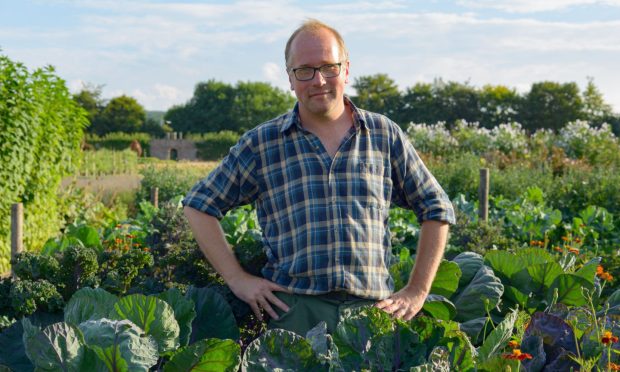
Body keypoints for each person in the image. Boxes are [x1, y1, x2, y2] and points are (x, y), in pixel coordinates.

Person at [182, 19, 455, 336]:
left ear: (346, 71)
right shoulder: (262, 143)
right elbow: (199, 205)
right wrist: (237, 279)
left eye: (329, 67)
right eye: (305, 70)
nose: (319, 80)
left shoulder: (383, 134)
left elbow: (436, 207)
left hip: (373, 315)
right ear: (290, 78)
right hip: (295, 314)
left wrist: (417, 290)